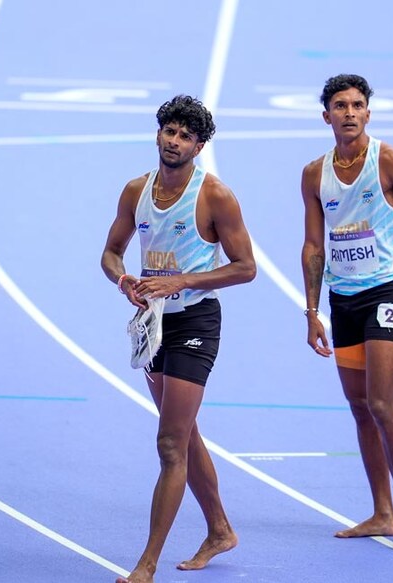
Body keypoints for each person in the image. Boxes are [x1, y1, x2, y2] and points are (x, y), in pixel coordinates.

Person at [101, 95, 257, 583]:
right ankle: (219, 529)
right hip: (154, 327)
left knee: (170, 443)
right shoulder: (135, 191)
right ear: (158, 133)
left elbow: (246, 268)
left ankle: (146, 565)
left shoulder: (215, 197)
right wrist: (124, 280)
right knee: (185, 434)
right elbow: (110, 252)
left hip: (194, 324)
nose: (174, 142)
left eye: (186, 136)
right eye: (169, 131)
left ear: (200, 145)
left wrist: (182, 281)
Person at [300, 74, 393, 547]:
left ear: (368, 113)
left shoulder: (392, 162)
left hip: (385, 296)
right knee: (359, 408)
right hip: (343, 301)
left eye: (358, 105)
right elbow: (313, 244)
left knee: (382, 404)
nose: (350, 113)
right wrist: (311, 310)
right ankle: (380, 512)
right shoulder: (315, 173)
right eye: (341, 105)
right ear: (327, 116)